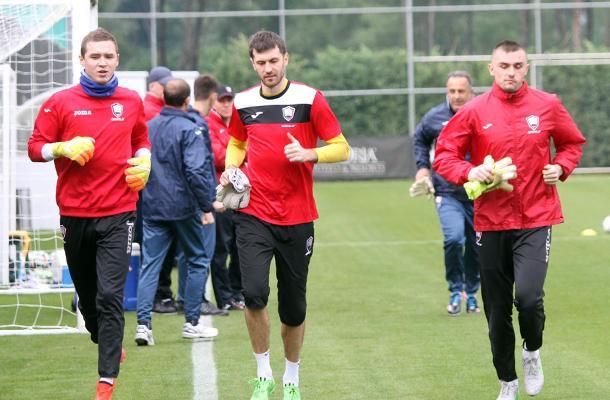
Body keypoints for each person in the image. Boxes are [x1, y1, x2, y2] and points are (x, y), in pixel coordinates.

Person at [432, 40, 585, 400]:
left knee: (529, 298)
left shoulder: (547, 105)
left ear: (526, 67)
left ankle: (532, 350)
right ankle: (507, 381)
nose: (511, 72)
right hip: (491, 221)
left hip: (536, 217)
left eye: (517, 65)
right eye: (504, 66)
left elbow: (572, 144)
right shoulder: (474, 110)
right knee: (497, 309)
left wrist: (560, 166)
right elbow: (445, 155)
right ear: (492, 69)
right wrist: (471, 171)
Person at [221, 31, 350, 400]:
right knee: (253, 293)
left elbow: (342, 148)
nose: (268, 68)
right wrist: (231, 168)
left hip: (297, 217)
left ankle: (291, 377)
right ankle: (263, 374)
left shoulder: (310, 99)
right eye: (261, 62)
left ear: (286, 59)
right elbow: (237, 141)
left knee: (293, 309)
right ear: (252, 64)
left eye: (273, 61)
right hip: (254, 213)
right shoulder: (243, 102)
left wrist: (311, 154)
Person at [28, 28, 151, 400]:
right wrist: (62, 148)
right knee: (89, 298)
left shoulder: (131, 100)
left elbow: (140, 139)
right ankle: (105, 338)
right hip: (75, 213)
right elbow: (35, 147)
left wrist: (145, 161)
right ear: (81, 60)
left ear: (117, 59)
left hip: (120, 212)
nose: (102, 62)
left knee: (111, 296)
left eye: (108, 56)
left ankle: (106, 380)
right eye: (95, 56)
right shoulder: (60, 103)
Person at [134, 78, 219, 346]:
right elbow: (195, 170)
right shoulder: (190, 128)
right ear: (187, 101)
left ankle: (143, 326)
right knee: (197, 259)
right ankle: (192, 322)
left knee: (150, 265)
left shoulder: (149, 127)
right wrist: (206, 205)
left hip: (153, 206)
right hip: (183, 208)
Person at [411, 71, 480, 315]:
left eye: (461, 91)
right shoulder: (435, 116)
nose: (456, 96)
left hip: (480, 193)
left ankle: (471, 293)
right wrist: (422, 168)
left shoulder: (483, 112)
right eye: (452, 91)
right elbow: (420, 138)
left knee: (476, 245)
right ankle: (455, 291)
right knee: (454, 239)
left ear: (471, 92)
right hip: (447, 191)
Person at [183, 73, 228, 317]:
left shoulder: (186, 119)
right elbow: (198, 168)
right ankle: (196, 302)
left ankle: (186, 299)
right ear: (213, 96)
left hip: (182, 199)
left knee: (188, 254)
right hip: (198, 201)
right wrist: (205, 205)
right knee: (200, 255)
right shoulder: (199, 123)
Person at [141, 65, 178, 314]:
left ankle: (160, 295)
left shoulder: (159, 110)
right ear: (153, 85)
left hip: (158, 187)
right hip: (153, 188)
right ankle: (157, 296)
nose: (167, 88)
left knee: (159, 246)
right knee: (155, 248)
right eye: (164, 84)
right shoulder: (149, 110)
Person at [207, 84, 246, 311]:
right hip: (221, 193)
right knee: (221, 247)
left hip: (241, 192)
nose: (226, 104)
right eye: (222, 100)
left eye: (229, 100)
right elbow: (219, 157)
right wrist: (241, 153)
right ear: (214, 102)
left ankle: (237, 292)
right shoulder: (209, 124)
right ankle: (224, 297)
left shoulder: (239, 123)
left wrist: (239, 152)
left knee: (241, 246)